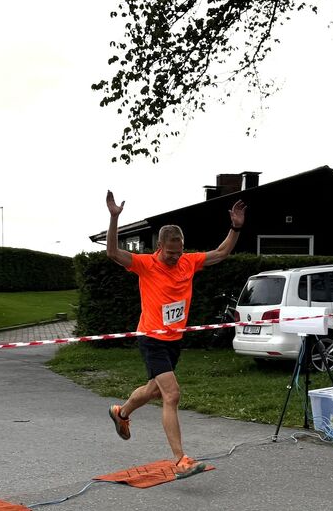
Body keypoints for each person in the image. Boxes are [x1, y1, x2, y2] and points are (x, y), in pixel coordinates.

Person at [104, 190, 245, 478]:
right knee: (172, 394)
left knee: (153, 390)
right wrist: (114, 218)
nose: (174, 257)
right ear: (159, 247)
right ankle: (181, 459)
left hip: (174, 341)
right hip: (151, 338)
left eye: (178, 251)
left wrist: (236, 227)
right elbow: (113, 253)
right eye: (170, 252)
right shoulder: (145, 264)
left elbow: (221, 253)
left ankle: (121, 413)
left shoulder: (188, 262)